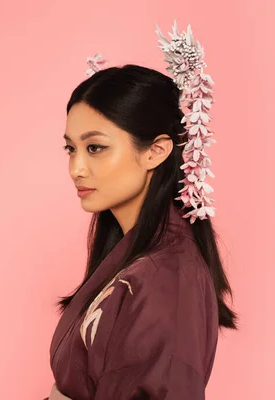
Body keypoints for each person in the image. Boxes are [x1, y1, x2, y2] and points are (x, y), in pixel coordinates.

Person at [45, 23, 237, 400]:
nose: (76, 168)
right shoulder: (136, 256)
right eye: (71, 148)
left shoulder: (167, 277)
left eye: (95, 147)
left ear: (156, 150)